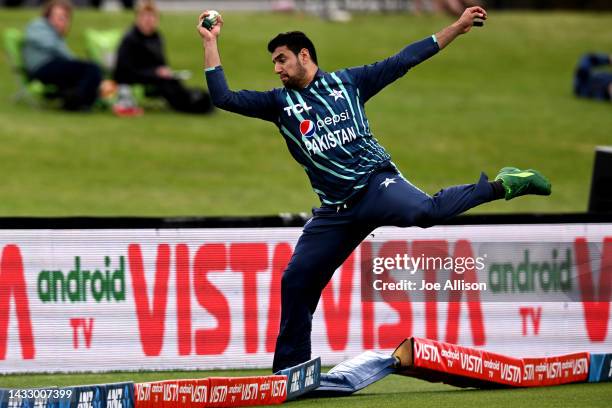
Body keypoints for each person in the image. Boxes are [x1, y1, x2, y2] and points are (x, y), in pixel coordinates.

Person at [197, 6, 552, 372]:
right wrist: (211, 42)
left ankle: (503, 184)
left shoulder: (350, 82)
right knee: (296, 280)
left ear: (305, 56)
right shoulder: (280, 104)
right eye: (274, 62)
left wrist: (458, 28)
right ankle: (291, 373)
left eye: (282, 59)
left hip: (376, 185)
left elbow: (405, 59)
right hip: (336, 212)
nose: (277, 69)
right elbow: (223, 97)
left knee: (426, 212)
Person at [114, 0, 214, 114]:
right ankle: (191, 105)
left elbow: (161, 62)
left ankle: (199, 98)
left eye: (152, 17)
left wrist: (164, 71)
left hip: (155, 77)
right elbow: (123, 70)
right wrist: (154, 73)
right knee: (166, 84)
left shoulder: (156, 37)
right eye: (145, 16)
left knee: (173, 81)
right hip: (136, 78)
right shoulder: (130, 39)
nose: (149, 20)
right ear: (138, 18)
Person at [23, 0, 102, 111]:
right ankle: (79, 102)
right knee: (91, 68)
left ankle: (75, 101)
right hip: (42, 67)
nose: (61, 20)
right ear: (48, 15)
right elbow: (54, 47)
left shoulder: (54, 32)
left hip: (53, 66)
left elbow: (63, 54)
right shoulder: (37, 25)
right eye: (58, 16)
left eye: (64, 17)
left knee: (89, 70)